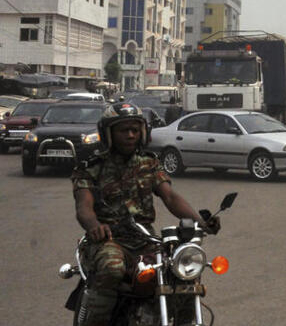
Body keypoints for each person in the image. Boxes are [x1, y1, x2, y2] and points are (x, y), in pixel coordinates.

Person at [71, 103, 216, 326]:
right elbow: (84, 206)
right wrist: (94, 226)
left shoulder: (149, 163)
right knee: (112, 267)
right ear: (108, 134)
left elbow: (170, 197)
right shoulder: (91, 167)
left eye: (135, 130)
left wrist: (200, 222)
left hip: (144, 238)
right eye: (123, 130)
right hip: (108, 239)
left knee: (182, 267)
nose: (130, 135)